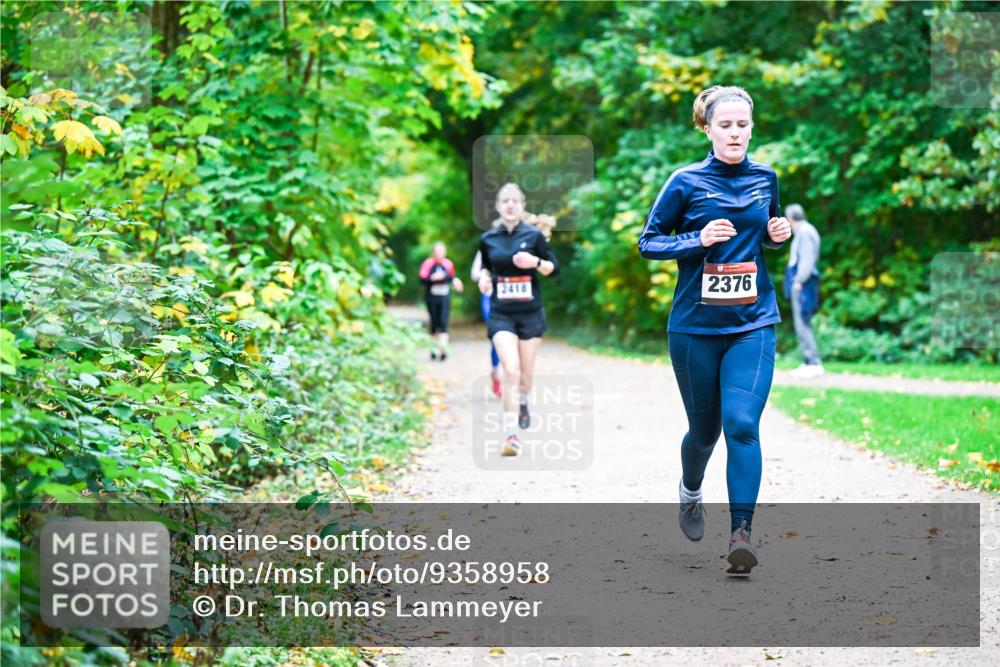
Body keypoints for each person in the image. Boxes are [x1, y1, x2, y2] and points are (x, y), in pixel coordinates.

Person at [638, 85, 791, 576]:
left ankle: (741, 535)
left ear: (752, 127)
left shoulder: (766, 178)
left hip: (753, 322)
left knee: (742, 424)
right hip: (694, 329)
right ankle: (690, 491)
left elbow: (763, 237)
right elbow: (648, 242)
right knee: (704, 433)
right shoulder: (684, 181)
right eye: (725, 125)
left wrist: (775, 236)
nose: (735, 133)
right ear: (707, 128)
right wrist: (696, 239)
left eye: (743, 125)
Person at [477, 183, 559, 457]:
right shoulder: (488, 238)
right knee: (509, 370)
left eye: (515, 200)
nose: (510, 205)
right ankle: (511, 435)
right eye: (505, 201)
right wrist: (485, 281)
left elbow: (552, 269)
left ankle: (524, 400)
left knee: (525, 375)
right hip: (502, 313)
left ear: (521, 205)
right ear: (499, 206)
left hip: (530, 314)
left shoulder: (534, 236)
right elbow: (486, 270)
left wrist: (534, 262)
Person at [783, 203, 824, 377]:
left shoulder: (805, 232)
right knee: (802, 322)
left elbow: (806, 260)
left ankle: (812, 362)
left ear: (790, 218)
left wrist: (798, 281)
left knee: (802, 322)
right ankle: (810, 361)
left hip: (803, 284)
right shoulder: (806, 231)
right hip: (803, 282)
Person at [418, 242, 463, 360]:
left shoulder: (448, 264)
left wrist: (448, 279)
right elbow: (422, 279)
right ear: (433, 253)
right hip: (431, 297)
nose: (439, 254)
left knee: (443, 322)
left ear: (445, 252)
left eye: (441, 252)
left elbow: (451, 277)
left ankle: (443, 350)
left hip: (444, 296)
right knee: (433, 322)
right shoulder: (428, 264)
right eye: (437, 252)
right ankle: (433, 349)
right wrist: (432, 278)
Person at [471, 247, 503, 398]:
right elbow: (474, 273)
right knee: (496, 338)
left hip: (510, 300)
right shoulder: (487, 246)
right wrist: (488, 277)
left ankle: (509, 376)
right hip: (490, 298)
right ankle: (496, 375)